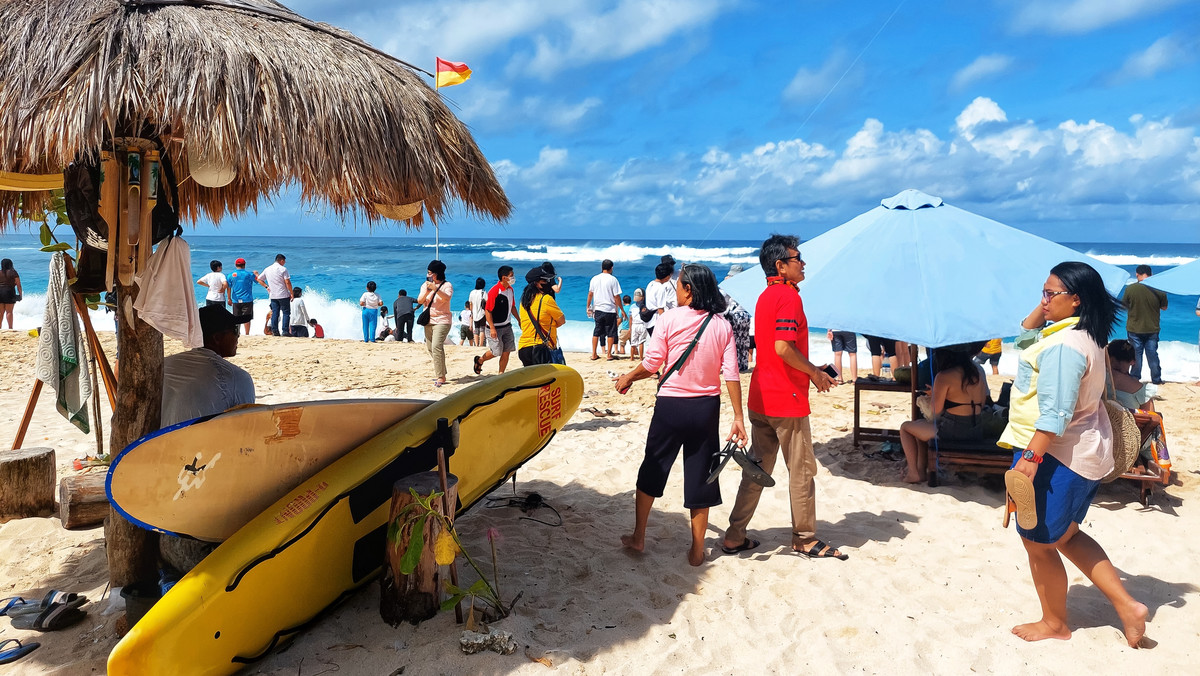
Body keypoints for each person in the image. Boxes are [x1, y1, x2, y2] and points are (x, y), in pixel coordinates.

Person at [999, 261, 1147, 647]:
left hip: (1054, 454)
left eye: (1051, 294)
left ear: (1076, 300)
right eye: (1042, 292)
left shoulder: (1064, 347)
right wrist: (1048, 303)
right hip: (1084, 451)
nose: (1043, 301)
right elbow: (1025, 335)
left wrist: (1029, 462)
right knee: (1065, 534)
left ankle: (1054, 624)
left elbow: (1054, 416)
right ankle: (1128, 606)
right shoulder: (1083, 334)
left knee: (1038, 543)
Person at [615, 263, 747, 566]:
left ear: (689, 290)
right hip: (706, 408)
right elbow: (732, 374)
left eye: (679, 283)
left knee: (654, 466)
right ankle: (698, 550)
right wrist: (738, 417)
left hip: (671, 406)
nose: (675, 286)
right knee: (702, 474)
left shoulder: (668, 319)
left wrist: (627, 377)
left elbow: (652, 363)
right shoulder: (721, 325)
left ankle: (638, 537)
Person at [722, 234, 843, 560]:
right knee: (802, 472)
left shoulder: (764, 296)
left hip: (761, 397)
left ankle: (735, 535)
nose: (803, 263)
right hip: (786, 401)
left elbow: (776, 350)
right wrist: (815, 374)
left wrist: (812, 367)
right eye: (797, 258)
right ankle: (805, 539)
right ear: (780, 265)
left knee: (757, 469)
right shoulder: (789, 298)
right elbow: (782, 347)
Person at [898, 345, 990, 483]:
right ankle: (921, 471)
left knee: (906, 427)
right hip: (975, 430)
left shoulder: (944, 376)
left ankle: (913, 472)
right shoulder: (977, 374)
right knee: (919, 427)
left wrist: (934, 393)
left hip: (952, 431)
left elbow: (935, 411)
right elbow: (982, 404)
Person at [161, 305, 255, 427]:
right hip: (204, 444)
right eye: (235, 330)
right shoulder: (237, 377)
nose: (238, 336)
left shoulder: (165, 365)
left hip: (156, 442)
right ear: (217, 338)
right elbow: (247, 426)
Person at [1122, 264, 1168, 384]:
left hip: (1134, 328)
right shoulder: (1159, 289)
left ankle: (1135, 378)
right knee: (1152, 354)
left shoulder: (1130, 289)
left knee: (1136, 355)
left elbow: (1124, 306)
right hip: (1152, 328)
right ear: (1151, 274)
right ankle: (1156, 379)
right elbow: (1164, 307)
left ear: (1137, 274)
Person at [516, 266, 565, 367]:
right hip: (541, 349)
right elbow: (561, 320)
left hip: (523, 348)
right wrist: (549, 324)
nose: (548, 282)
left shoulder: (524, 301)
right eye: (545, 280)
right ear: (536, 283)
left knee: (532, 381)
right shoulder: (546, 299)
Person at [475, 266, 517, 375]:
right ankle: (480, 360)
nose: (513, 278)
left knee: (507, 351)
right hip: (494, 328)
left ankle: (501, 373)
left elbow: (512, 307)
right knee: (496, 352)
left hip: (507, 326)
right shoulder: (494, 291)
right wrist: (492, 328)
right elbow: (488, 311)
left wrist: (519, 320)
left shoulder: (510, 290)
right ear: (504, 278)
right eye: (511, 276)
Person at [418, 260, 454, 385]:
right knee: (430, 348)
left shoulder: (447, 285)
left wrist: (436, 289)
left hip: (443, 320)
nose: (428, 275)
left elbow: (447, 298)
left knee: (436, 346)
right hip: (429, 320)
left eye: (430, 272)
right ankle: (442, 372)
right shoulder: (426, 285)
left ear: (436, 273)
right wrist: (428, 291)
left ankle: (440, 377)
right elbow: (420, 300)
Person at [587, 259, 626, 361]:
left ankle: (594, 354)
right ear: (611, 268)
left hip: (598, 309)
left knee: (597, 331)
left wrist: (588, 307)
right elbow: (616, 296)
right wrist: (621, 309)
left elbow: (590, 294)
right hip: (610, 309)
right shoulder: (613, 279)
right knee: (611, 332)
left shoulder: (594, 279)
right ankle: (609, 354)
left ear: (602, 267)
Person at [1106, 339, 1156, 412]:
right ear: (1133, 362)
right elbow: (1150, 417)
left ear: (1108, 357)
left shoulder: (1097, 377)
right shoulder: (1140, 389)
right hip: (1127, 422)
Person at [257, 254, 292, 338]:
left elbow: (259, 279)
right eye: (284, 261)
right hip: (283, 294)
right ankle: (285, 331)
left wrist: (266, 287)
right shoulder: (283, 269)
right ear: (282, 260)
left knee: (275, 313)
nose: (285, 263)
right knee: (286, 313)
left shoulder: (267, 269)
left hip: (273, 295)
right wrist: (291, 293)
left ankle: (275, 331)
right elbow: (287, 282)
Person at [644, 262, 676, 337]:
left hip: (648, 320)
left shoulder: (651, 284)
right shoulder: (661, 288)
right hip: (655, 321)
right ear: (667, 276)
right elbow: (660, 309)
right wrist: (664, 324)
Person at [227, 258, 256, 335]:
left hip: (236, 299)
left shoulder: (230, 275)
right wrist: (256, 274)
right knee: (247, 318)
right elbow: (257, 280)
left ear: (235, 265)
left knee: (236, 317)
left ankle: (237, 333)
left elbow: (228, 287)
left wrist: (229, 298)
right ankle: (247, 334)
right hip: (247, 299)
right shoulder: (249, 274)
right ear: (244, 265)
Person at [0, 258, 21, 329]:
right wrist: (20, 295)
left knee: (0, 312)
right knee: (9, 312)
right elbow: (18, 285)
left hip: (0, 293)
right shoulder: (13, 272)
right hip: (9, 292)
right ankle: (10, 328)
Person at [629, 288, 648, 362]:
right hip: (642, 324)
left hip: (634, 325)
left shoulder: (632, 306)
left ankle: (631, 357)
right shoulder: (645, 306)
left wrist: (630, 328)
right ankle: (640, 358)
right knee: (641, 342)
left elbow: (630, 318)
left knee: (633, 342)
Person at [468, 278, 487, 347]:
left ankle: (476, 344)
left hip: (474, 313)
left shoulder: (472, 292)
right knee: (482, 329)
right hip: (482, 313)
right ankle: (481, 344)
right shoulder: (483, 292)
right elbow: (486, 302)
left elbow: (470, 303)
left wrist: (471, 312)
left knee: (476, 329)